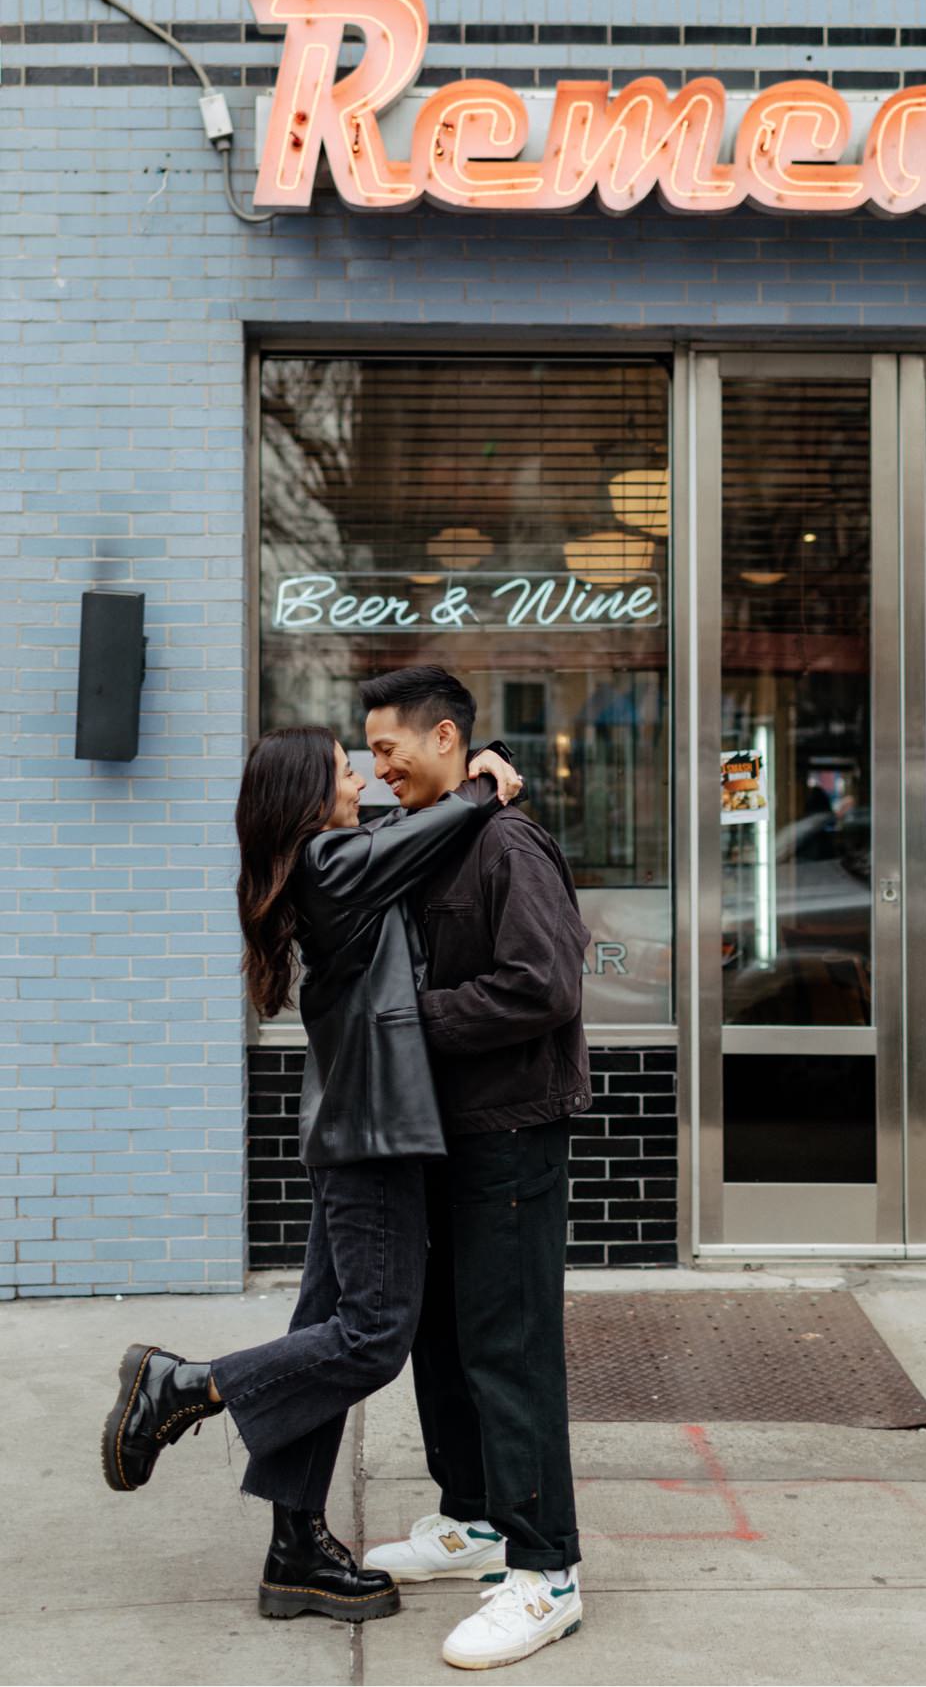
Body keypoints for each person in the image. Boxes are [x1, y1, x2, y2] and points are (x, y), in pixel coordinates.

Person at [101, 725, 520, 1626]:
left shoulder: (326, 865)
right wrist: (483, 782)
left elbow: (413, 837)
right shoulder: (331, 862)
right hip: (372, 1139)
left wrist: (473, 760)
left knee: (323, 1340)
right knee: (372, 1335)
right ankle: (183, 1386)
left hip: (357, 1131)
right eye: (344, 769)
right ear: (306, 797)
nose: (362, 779)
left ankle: (295, 1549)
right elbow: (423, 832)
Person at [348, 667, 596, 1673]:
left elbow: (545, 982)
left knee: (509, 1348)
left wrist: (413, 1024)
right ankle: (476, 1523)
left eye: (388, 747)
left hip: (508, 1135)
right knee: (444, 1338)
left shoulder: (504, 842)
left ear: (443, 736)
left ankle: (547, 1575)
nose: (375, 767)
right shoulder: (450, 820)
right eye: (366, 753)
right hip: (445, 1133)